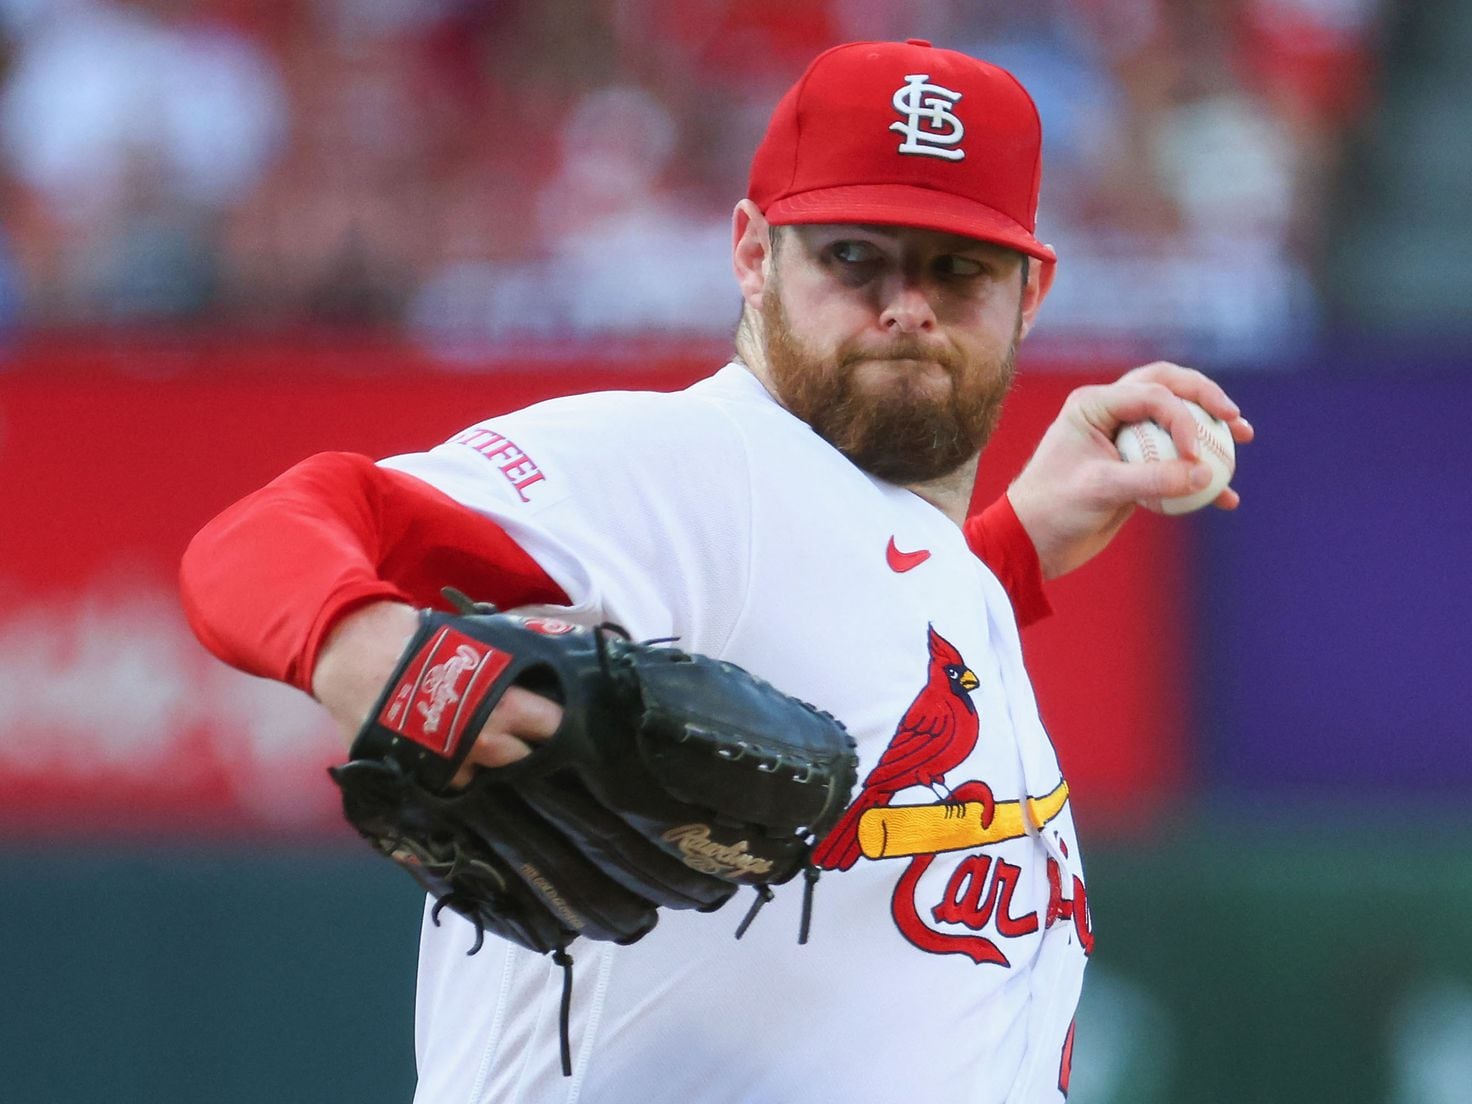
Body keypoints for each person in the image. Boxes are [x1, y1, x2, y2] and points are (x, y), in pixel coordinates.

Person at [180, 38, 1252, 1103]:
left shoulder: (920, 561)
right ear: (751, 253)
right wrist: (370, 650)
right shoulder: (688, 466)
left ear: (1029, 293)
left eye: (955, 268)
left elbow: (861, 667)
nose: (905, 306)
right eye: (851, 257)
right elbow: (274, 529)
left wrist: (1013, 546)